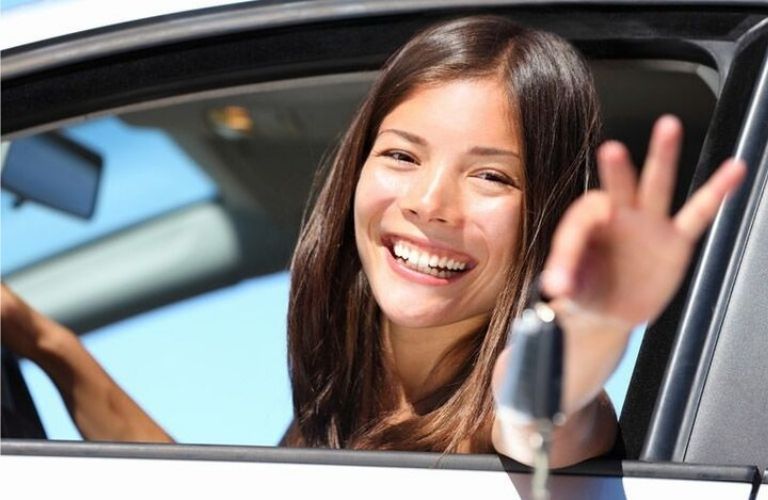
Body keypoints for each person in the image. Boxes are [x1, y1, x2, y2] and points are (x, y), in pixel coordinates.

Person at [0, 16, 746, 467]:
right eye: (401, 156)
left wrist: (599, 318)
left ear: (545, 218)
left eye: (492, 177)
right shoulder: (347, 403)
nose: (429, 204)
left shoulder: (500, 416)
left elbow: (543, 409)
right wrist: (45, 343)